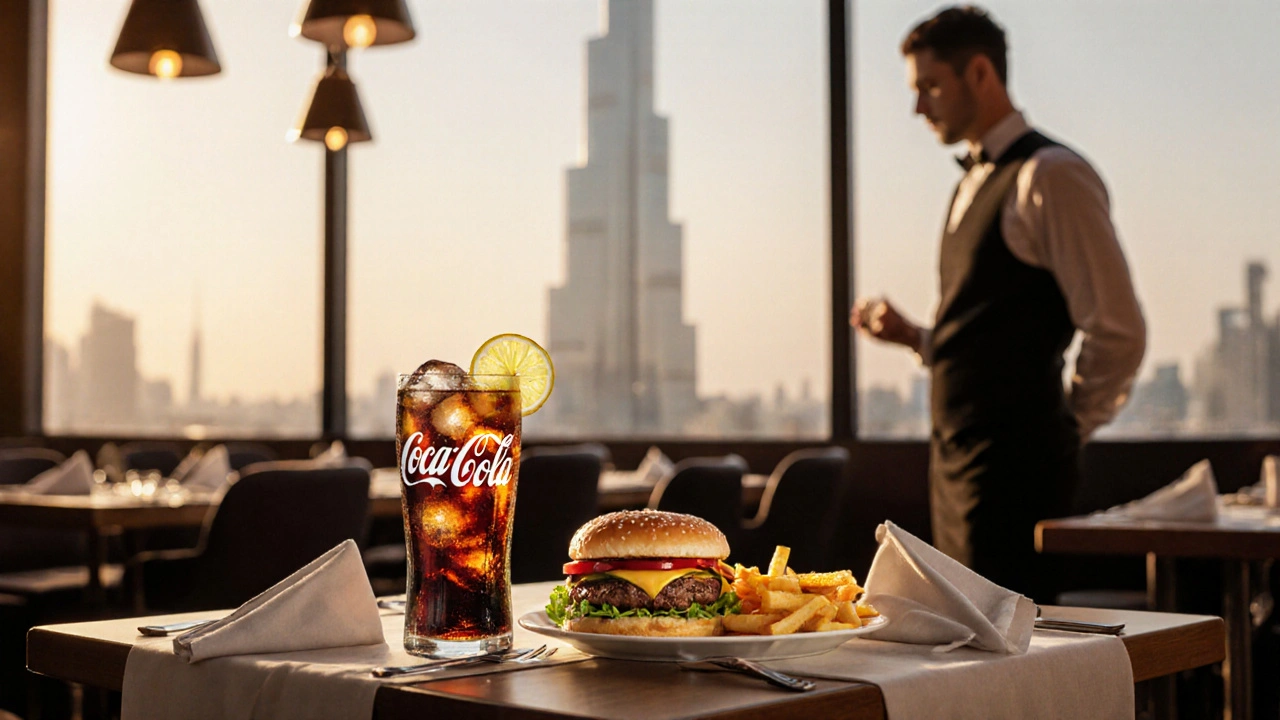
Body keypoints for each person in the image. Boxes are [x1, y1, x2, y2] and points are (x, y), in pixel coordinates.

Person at [851, 5, 1145, 602]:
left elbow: (1118, 330)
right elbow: (995, 334)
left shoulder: (1051, 176)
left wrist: (1064, 429)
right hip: (955, 471)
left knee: (1013, 668)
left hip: (1015, 477)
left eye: (930, 86)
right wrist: (917, 338)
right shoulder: (969, 183)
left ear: (980, 74)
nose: (918, 107)